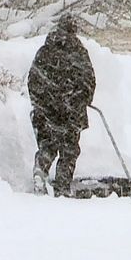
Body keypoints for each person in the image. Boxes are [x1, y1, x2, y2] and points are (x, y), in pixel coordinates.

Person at [28, 13, 96, 196]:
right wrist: (82, 100)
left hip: (46, 111)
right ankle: (62, 186)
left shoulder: (45, 51)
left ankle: (40, 171)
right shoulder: (78, 53)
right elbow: (88, 81)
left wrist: (40, 103)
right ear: (74, 30)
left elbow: (33, 80)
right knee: (69, 151)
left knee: (48, 145)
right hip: (71, 112)